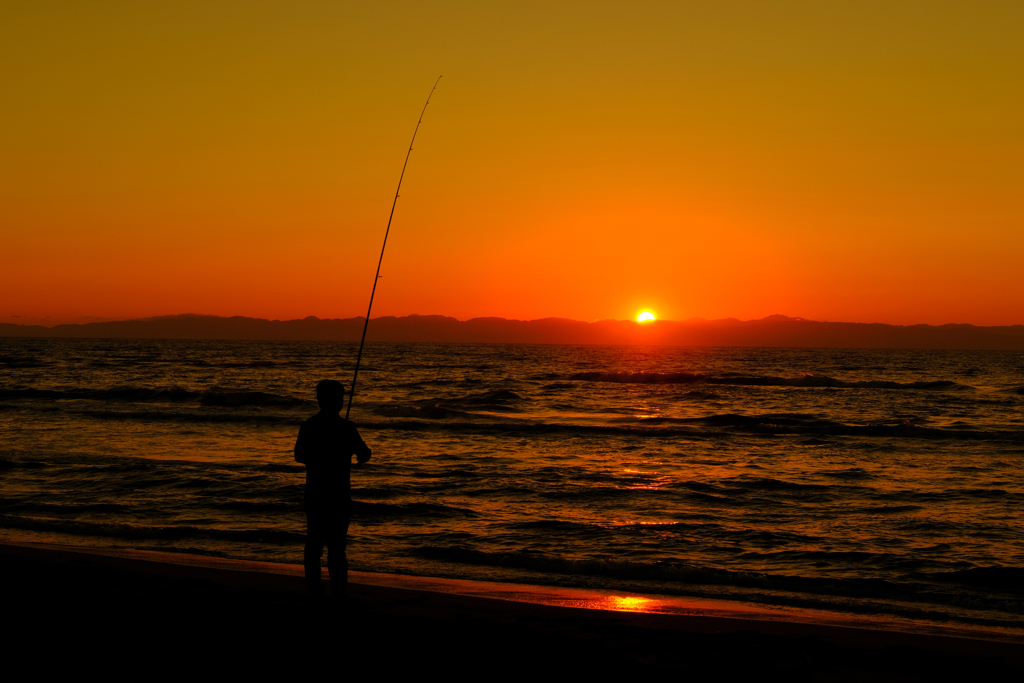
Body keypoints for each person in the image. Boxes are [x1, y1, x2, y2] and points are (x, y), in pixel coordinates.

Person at [294, 379, 371, 600]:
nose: (340, 401)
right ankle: (338, 594)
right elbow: (365, 453)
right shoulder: (346, 428)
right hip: (338, 495)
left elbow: (299, 455)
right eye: (339, 397)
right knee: (336, 549)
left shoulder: (310, 425)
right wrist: (354, 455)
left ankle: (317, 593)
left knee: (314, 546)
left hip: (316, 494)